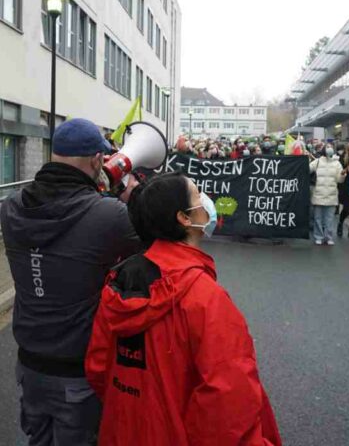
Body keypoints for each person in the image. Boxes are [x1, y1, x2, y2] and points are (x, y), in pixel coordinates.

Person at [85, 172, 283, 446]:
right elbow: (228, 403)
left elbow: (98, 367)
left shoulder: (117, 283)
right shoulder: (205, 298)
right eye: (198, 194)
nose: (205, 201)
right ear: (184, 218)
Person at [0, 119, 141, 445]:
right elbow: (147, 250)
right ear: (96, 160)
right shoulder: (109, 214)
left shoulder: (11, 207)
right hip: (79, 368)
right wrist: (129, 198)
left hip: (30, 361)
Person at [310, 144, 345, 246]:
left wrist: (343, 175)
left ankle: (328, 237)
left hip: (331, 194)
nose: (329, 148)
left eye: (331, 146)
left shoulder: (337, 163)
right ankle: (318, 237)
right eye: (327, 146)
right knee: (318, 218)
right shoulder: (317, 161)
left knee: (329, 219)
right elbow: (307, 169)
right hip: (318, 194)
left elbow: (339, 180)